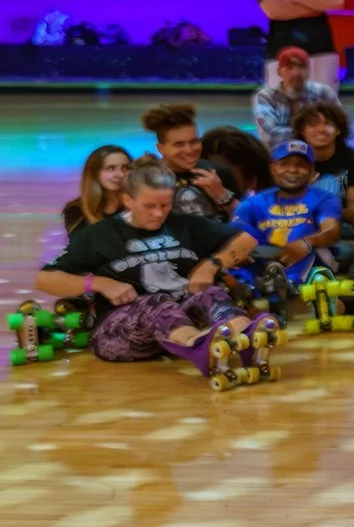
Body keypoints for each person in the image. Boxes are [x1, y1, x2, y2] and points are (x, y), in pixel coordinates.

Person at [33, 160, 274, 385]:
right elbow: (45, 279)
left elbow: (247, 239)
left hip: (179, 321)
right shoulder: (100, 235)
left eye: (165, 205)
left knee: (209, 294)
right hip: (120, 332)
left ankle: (245, 337)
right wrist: (99, 283)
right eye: (149, 206)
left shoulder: (184, 224)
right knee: (157, 302)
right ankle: (196, 347)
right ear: (128, 200)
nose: (159, 213)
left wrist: (211, 264)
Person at [229, 139, 346, 282]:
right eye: (284, 164)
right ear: (273, 168)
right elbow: (235, 234)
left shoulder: (325, 199)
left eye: (301, 165)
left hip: (309, 261)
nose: (292, 170)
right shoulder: (253, 203)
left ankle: (290, 284)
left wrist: (306, 243)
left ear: (312, 172)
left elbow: (332, 230)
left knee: (301, 233)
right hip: (263, 260)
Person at [142, 102, 237, 223]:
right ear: (160, 148)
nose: (189, 150)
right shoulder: (147, 179)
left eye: (194, 142)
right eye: (179, 144)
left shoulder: (217, 172)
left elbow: (248, 221)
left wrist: (222, 195)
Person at [251, 46, 340, 149]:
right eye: (290, 68)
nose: (296, 73)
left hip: (318, 152)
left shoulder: (323, 93)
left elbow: (339, 124)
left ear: (309, 72)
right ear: (279, 72)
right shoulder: (265, 97)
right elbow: (269, 135)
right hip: (280, 153)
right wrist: (310, 133)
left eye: (302, 68)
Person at [293, 100, 354, 209]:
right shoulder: (290, 161)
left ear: (338, 130)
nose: (321, 129)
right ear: (302, 130)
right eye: (313, 124)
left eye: (328, 124)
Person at [63, 144, 132, 236]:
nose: (120, 174)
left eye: (125, 168)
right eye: (110, 168)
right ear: (95, 173)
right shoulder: (76, 210)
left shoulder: (139, 205)